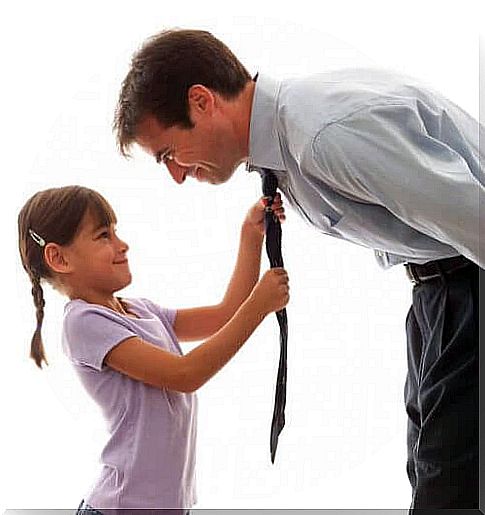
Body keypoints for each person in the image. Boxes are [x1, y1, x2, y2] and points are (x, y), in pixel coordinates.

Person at [113, 29, 484, 510]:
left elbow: (475, 218)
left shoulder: (321, 135)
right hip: (437, 289)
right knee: (433, 471)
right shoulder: (289, 145)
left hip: (468, 280)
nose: (177, 174)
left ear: (202, 102)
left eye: (168, 154)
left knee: (448, 488)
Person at [18, 185, 289, 514]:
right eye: (104, 235)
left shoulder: (141, 310)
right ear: (59, 258)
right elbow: (184, 374)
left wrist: (250, 234)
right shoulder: (83, 322)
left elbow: (224, 314)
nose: (122, 245)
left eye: (116, 232)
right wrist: (258, 307)